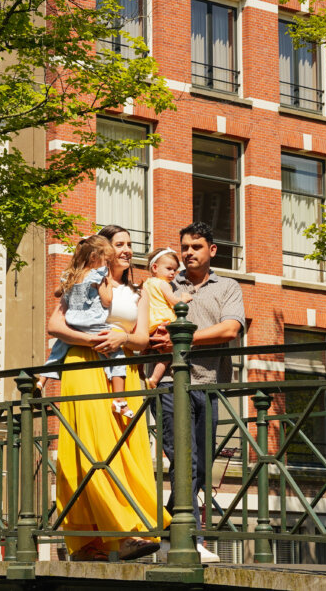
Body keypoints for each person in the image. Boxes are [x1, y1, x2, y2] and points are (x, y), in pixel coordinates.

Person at [46, 224, 171, 561]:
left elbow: (143, 338)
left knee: (127, 450)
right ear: (104, 250)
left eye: (130, 243)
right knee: (89, 447)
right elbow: (55, 326)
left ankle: (132, 527)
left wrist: (122, 339)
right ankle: (91, 541)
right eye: (120, 244)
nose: (127, 249)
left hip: (125, 373)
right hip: (84, 366)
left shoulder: (139, 291)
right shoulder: (81, 283)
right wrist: (94, 340)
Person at [149, 222, 245, 563]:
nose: (189, 252)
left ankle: (164, 530)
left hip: (210, 385)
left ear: (212, 251)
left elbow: (231, 328)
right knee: (184, 461)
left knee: (202, 467)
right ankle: (188, 540)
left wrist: (184, 336)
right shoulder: (165, 284)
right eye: (185, 247)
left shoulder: (228, 286)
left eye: (196, 247)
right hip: (170, 384)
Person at [38, 236, 130, 416]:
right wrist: (109, 285)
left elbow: (57, 293)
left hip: (73, 322)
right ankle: (120, 400)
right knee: (116, 354)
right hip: (92, 322)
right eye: (106, 260)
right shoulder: (98, 275)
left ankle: (41, 382)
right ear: (96, 257)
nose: (107, 264)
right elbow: (106, 300)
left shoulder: (70, 274)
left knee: (58, 349)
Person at [142, 246, 192, 389]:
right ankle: (154, 378)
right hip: (163, 321)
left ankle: (139, 368)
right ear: (155, 268)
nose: (172, 273)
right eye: (169, 269)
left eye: (174, 270)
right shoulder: (163, 284)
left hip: (150, 322)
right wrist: (184, 298)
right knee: (167, 351)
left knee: (145, 349)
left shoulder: (146, 284)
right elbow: (174, 302)